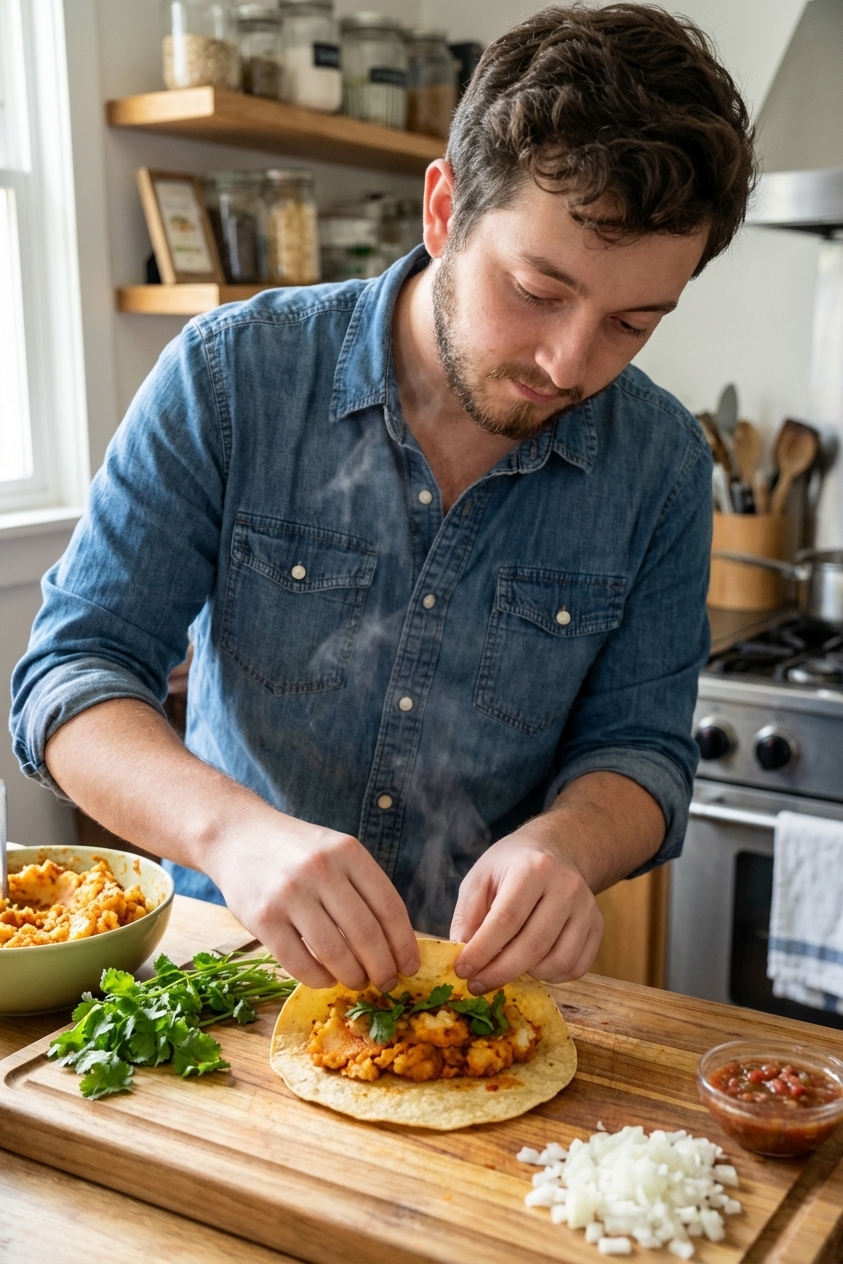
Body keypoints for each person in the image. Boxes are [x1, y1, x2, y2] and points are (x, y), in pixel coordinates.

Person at [11, 4, 755, 999]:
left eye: (631, 322)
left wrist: (571, 844)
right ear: (443, 210)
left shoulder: (660, 459)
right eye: (537, 290)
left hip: (475, 1002)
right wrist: (234, 834)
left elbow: (643, 750)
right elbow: (68, 677)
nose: (569, 362)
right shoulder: (232, 379)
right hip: (227, 975)